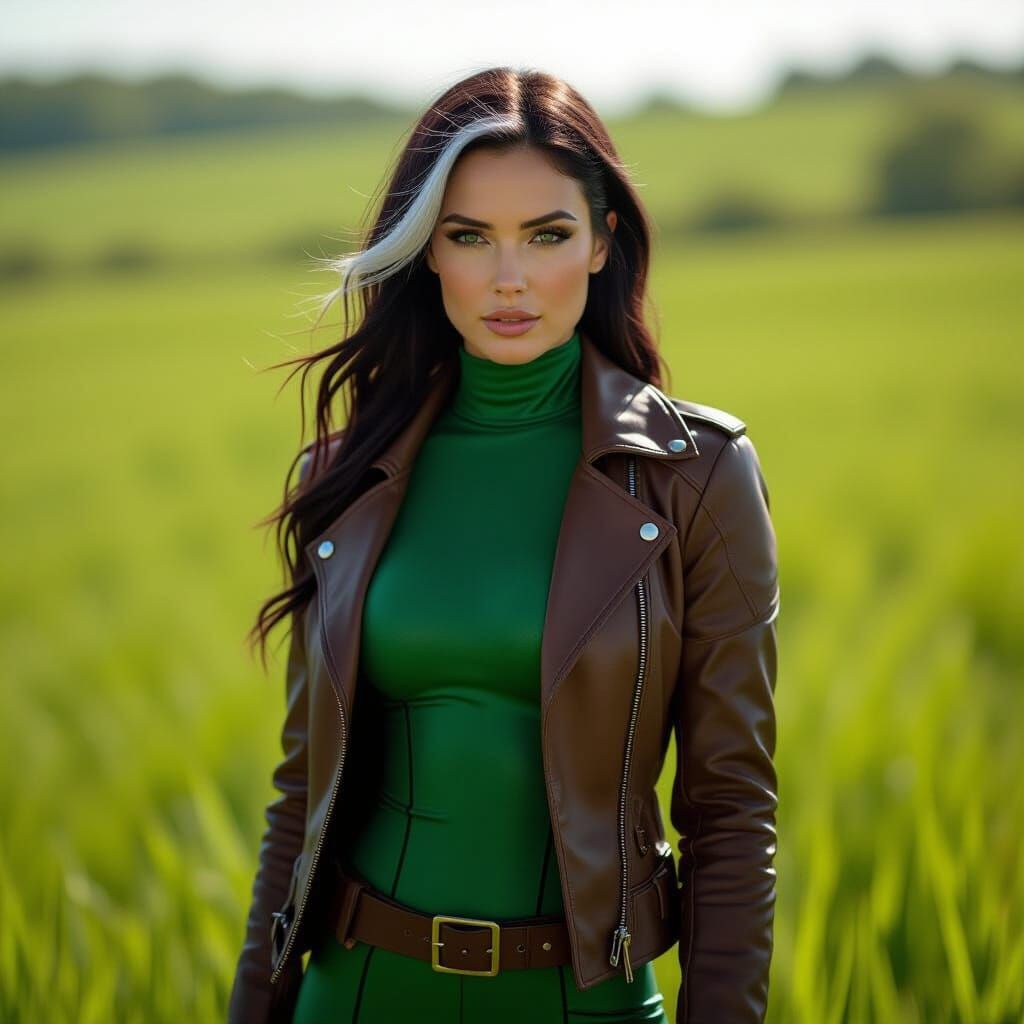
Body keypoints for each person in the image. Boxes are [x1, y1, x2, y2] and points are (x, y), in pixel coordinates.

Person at [228, 66, 779, 1024]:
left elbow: (731, 810)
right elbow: (299, 796)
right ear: (427, 255)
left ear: (605, 242)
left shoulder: (696, 474)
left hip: (583, 1005)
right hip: (353, 997)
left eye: (548, 235)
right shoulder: (344, 473)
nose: (508, 277)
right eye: (470, 237)